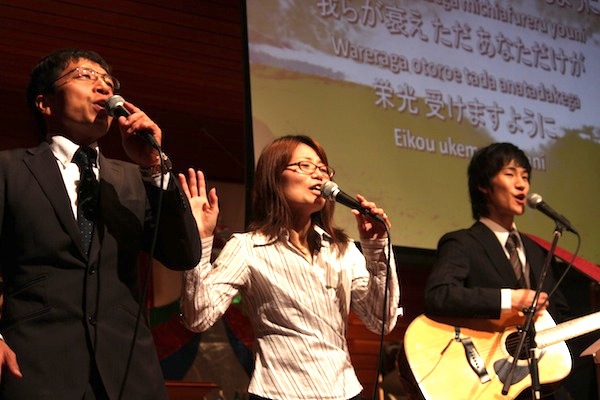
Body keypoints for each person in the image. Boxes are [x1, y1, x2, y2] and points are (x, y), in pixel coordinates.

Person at [0, 49, 202, 399]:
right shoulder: (9, 169)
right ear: (45, 103)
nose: (104, 87)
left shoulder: (135, 178)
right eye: (85, 76)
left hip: (128, 374)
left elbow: (183, 254)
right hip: (36, 369)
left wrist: (154, 166)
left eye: (109, 81)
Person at [179, 135, 400, 400]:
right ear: (274, 177)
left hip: (344, 391)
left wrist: (376, 246)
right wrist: (201, 238)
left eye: (323, 169)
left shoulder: (342, 250)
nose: (319, 175)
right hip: (279, 391)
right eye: (305, 166)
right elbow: (198, 317)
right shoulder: (248, 248)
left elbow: (381, 320)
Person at [424, 142, 571, 398]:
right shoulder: (463, 243)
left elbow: (560, 313)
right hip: (490, 381)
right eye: (510, 174)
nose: (522, 184)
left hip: (542, 380)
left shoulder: (535, 249)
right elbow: (439, 294)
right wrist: (509, 299)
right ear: (484, 185)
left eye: (525, 176)